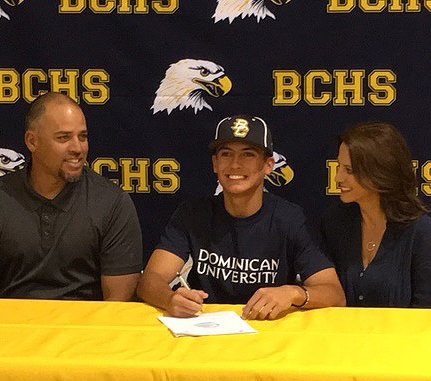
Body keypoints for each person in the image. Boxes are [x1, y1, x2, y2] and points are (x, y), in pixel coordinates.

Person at [138, 114, 345, 319]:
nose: (235, 164)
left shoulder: (289, 218)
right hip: (204, 329)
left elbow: (334, 293)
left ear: (268, 165)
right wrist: (170, 299)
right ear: (215, 164)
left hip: (269, 330)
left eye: (248, 155)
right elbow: (150, 280)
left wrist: (293, 293)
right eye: (226, 154)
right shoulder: (193, 213)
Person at [0, 92, 143, 300]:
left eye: (83, 136)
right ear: (32, 141)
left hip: (86, 331)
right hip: (12, 329)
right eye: (63, 138)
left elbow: (119, 308)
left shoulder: (112, 203)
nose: (77, 148)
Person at [321, 122, 431, 307]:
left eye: (349, 170)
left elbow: (428, 312)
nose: (338, 178)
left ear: (379, 172)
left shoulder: (419, 230)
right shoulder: (334, 223)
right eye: (339, 167)